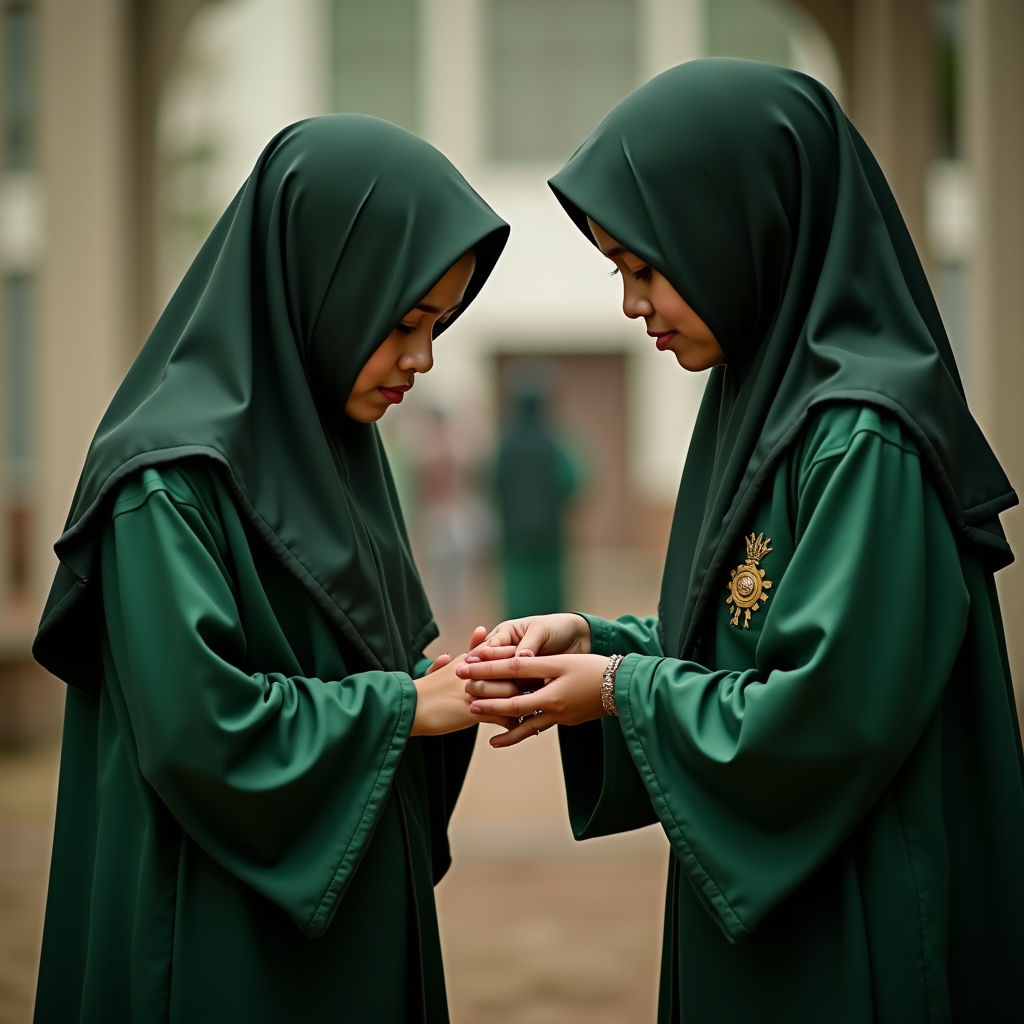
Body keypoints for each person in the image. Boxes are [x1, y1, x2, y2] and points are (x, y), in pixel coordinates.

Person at [459, 60, 1024, 1023]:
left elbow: (829, 711)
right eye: (619, 273)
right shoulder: (762, 406)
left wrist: (620, 689)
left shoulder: (864, 434)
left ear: (740, 227)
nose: (632, 304)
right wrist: (598, 644)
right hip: (778, 909)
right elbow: (738, 630)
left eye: (647, 267)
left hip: (860, 918)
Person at [31, 115, 511, 1023]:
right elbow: (201, 731)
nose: (423, 358)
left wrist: (440, 686)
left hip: (345, 921)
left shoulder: (339, 453)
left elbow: (350, 657)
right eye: (403, 322)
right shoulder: (165, 482)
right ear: (321, 287)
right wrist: (406, 707)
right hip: (220, 935)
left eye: (439, 324)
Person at [496, 384, 578, 618]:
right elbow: (571, 480)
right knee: (548, 590)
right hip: (549, 531)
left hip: (514, 532)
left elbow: (493, 482)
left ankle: (517, 631)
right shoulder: (554, 444)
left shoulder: (507, 445)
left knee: (519, 588)